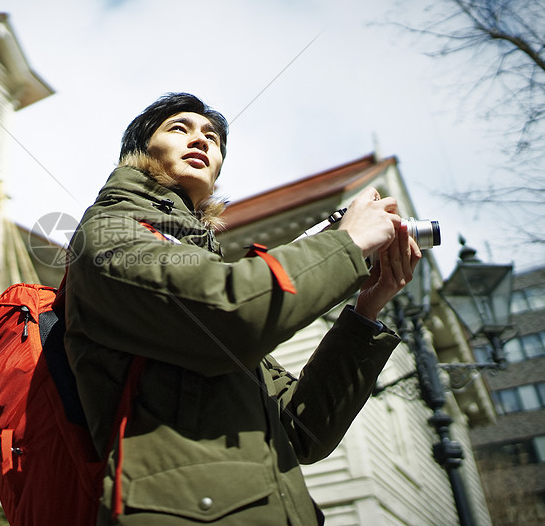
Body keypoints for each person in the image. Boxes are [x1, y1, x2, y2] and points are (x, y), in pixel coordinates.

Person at [63, 93, 421, 525]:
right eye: (180, 128)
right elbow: (230, 311)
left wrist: (366, 309)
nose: (201, 140)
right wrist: (346, 245)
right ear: (138, 154)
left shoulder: (206, 263)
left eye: (211, 137)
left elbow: (305, 432)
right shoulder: (110, 227)